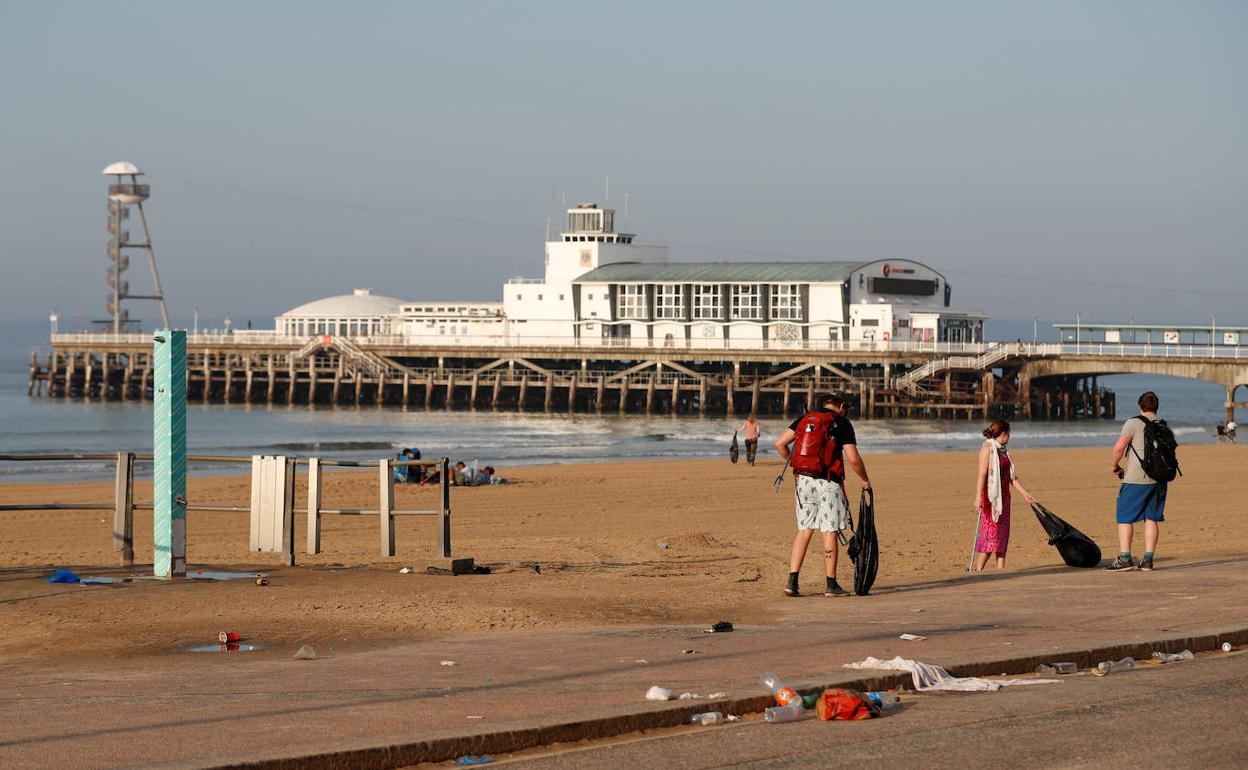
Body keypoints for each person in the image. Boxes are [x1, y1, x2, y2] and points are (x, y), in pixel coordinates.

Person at [773, 393, 870, 598]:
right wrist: (865, 480)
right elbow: (853, 458)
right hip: (828, 482)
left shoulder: (804, 419)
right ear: (841, 406)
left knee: (805, 529)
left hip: (803, 481)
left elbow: (780, 444)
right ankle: (831, 584)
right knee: (829, 530)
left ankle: (792, 582)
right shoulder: (842, 423)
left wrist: (797, 464)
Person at [1107, 391, 1167, 571]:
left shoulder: (1133, 423)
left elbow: (1119, 448)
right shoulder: (1162, 424)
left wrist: (1114, 465)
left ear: (1140, 406)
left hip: (1136, 478)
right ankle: (1148, 560)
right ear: (1156, 407)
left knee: (1124, 516)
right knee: (1151, 518)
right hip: (1158, 479)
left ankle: (1125, 558)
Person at [972, 420, 1036, 571]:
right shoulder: (988, 449)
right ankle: (979, 570)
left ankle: (1001, 570)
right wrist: (977, 499)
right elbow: (981, 475)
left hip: (1005, 498)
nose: (1010, 437)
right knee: (990, 537)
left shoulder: (1003, 450)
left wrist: (1025, 494)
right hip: (990, 498)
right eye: (1009, 433)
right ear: (1003, 433)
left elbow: (1012, 477)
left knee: (1002, 536)